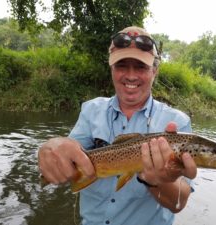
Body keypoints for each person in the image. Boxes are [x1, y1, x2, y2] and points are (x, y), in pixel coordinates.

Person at [38, 26, 197, 225]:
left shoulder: (177, 123)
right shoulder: (90, 110)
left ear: (154, 71)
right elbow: (69, 152)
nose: (131, 76)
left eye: (140, 67)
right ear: (111, 68)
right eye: (122, 65)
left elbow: (178, 203)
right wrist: (51, 147)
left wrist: (156, 181)